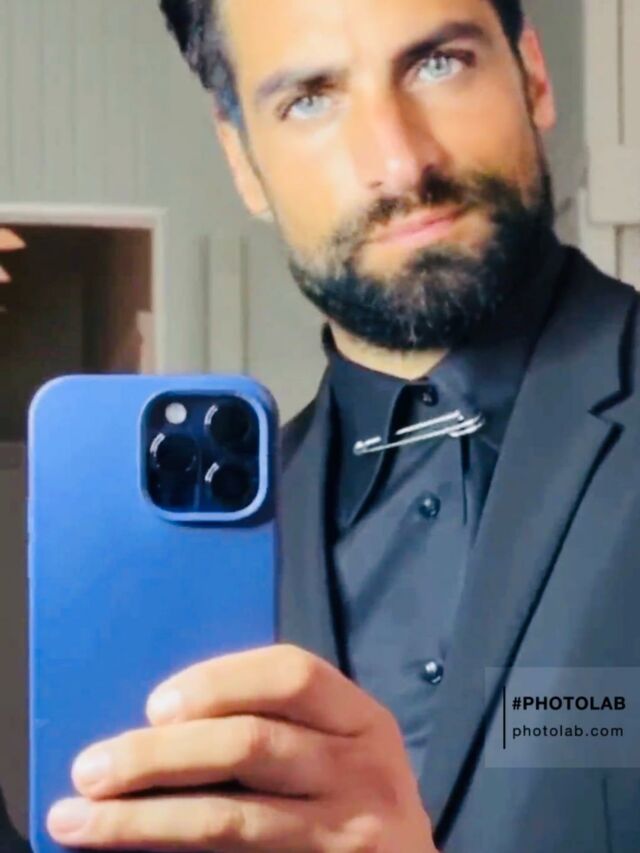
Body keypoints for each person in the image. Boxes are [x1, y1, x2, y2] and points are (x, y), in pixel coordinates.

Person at [3, 0, 640, 850]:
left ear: (532, 75)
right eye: (309, 99)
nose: (400, 163)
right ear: (241, 157)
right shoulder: (223, 552)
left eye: (439, 63)